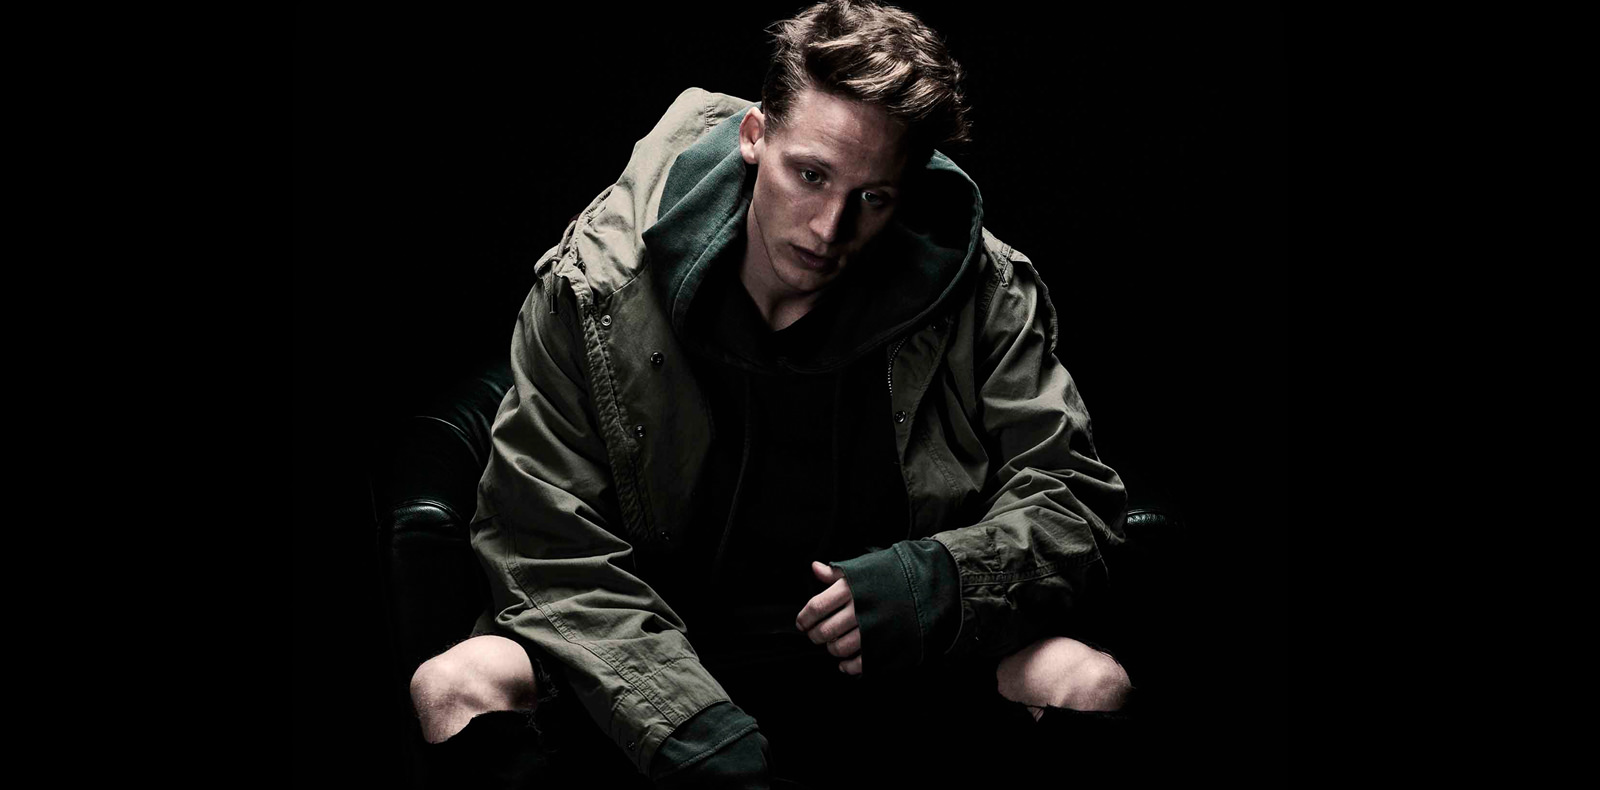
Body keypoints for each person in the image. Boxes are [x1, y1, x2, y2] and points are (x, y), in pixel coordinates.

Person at [409, 2, 1133, 786]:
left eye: (874, 197)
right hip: (660, 648)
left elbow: (1071, 497)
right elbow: (541, 540)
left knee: (1086, 680)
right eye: (810, 175)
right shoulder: (598, 283)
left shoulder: (985, 292)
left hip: (897, 660)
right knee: (456, 684)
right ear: (755, 137)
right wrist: (687, 723)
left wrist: (939, 583)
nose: (829, 228)